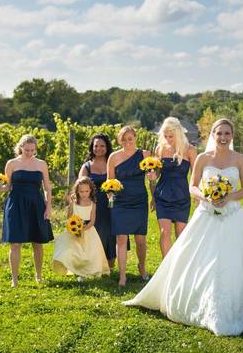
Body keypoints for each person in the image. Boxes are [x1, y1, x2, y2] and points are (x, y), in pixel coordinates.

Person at [124, 119, 243, 336]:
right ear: (213, 134)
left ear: (232, 136)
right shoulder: (202, 158)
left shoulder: (239, 159)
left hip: (232, 215)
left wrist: (229, 197)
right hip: (206, 212)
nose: (223, 137)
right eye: (219, 133)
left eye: (227, 133)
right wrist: (207, 197)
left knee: (230, 257)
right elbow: (193, 186)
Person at [0, 134, 53, 286]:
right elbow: (7, 187)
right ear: (20, 148)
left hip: (36, 205)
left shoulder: (42, 164)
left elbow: (47, 188)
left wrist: (48, 207)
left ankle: (39, 276)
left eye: (32, 150)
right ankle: (14, 279)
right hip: (15, 205)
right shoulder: (11, 164)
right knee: (15, 243)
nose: (29, 153)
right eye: (27, 150)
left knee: (38, 243)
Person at [107, 125, 149, 286]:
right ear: (119, 140)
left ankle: (142, 266)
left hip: (139, 201)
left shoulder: (144, 155)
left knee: (140, 240)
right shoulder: (114, 157)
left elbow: (152, 176)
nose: (127, 142)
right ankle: (122, 275)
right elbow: (109, 181)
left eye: (130, 139)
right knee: (121, 238)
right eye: (123, 139)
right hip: (120, 202)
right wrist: (110, 194)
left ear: (135, 138)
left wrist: (152, 180)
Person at [150, 117, 197, 257]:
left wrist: (197, 195)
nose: (168, 139)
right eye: (165, 136)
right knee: (165, 233)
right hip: (162, 195)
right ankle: (167, 269)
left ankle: (180, 268)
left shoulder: (190, 150)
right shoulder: (160, 149)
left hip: (181, 195)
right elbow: (157, 172)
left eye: (171, 136)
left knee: (181, 234)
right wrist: (153, 176)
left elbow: (195, 174)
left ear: (178, 134)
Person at [52, 177, 109, 279]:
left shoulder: (93, 203)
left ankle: (91, 271)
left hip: (88, 230)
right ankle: (79, 272)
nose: (84, 194)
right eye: (81, 191)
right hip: (74, 230)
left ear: (90, 190)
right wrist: (70, 205)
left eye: (87, 191)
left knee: (90, 253)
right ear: (77, 191)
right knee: (74, 252)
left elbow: (92, 221)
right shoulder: (74, 203)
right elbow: (69, 217)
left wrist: (83, 229)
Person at [78, 133, 117, 270]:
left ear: (107, 147)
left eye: (102, 145)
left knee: (110, 233)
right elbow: (79, 186)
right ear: (91, 147)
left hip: (111, 204)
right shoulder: (86, 166)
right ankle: (91, 265)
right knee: (93, 234)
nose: (99, 148)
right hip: (92, 206)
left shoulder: (113, 163)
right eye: (96, 146)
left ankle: (110, 266)